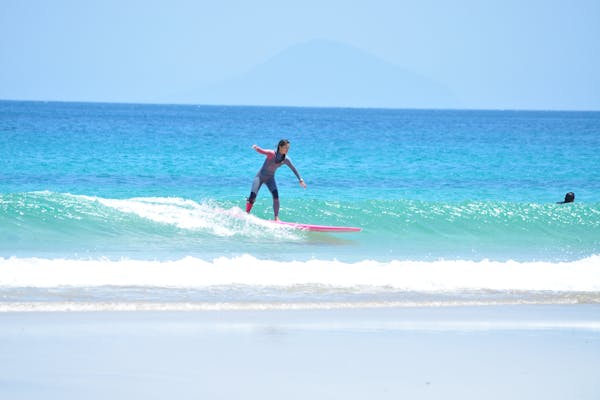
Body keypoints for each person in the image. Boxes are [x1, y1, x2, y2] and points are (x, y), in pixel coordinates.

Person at [246, 139, 307, 220]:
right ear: (280, 147)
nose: (287, 150)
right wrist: (256, 148)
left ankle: (276, 218)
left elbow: (294, 169)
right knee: (252, 196)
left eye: (288, 148)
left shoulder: (286, 159)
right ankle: (246, 213)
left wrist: (301, 180)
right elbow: (263, 151)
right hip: (260, 177)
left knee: (276, 197)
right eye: (285, 148)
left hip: (270, 179)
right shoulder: (271, 154)